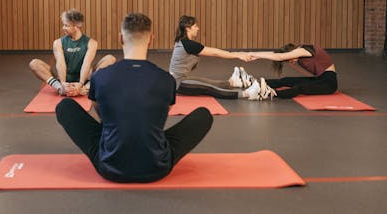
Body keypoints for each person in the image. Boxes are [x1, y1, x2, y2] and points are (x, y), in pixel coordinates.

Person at [55, 13, 213, 183]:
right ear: (151, 39)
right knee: (204, 115)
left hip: (109, 167)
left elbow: (99, 111)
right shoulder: (166, 79)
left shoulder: (100, 77)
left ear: (121, 39)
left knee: (65, 106)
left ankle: (116, 140)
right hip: (157, 167)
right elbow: (159, 118)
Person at [169, 15, 265, 100]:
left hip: (180, 80)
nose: (198, 28)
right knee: (210, 89)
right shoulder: (188, 44)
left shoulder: (183, 42)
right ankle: (248, 93)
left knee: (210, 82)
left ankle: (234, 82)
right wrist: (238, 55)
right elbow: (216, 53)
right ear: (188, 28)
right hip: (179, 84)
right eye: (195, 26)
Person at [29, 9, 116, 96]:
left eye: (66, 25)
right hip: (64, 78)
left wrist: (81, 84)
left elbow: (86, 64)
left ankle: (87, 88)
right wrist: (62, 83)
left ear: (76, 27)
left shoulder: (92, 43)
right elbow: (60, 63)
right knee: (34, 63)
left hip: (84, 78)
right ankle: (60, 88)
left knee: (110, 59)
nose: (63, 28)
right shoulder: (58, 43)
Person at [247, 43, 338, 99]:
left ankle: (271, 93)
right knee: (286, 80)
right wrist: (256, 54)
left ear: (292, 51)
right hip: (319, 79)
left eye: (289, 59)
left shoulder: (304, 50)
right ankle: (254, 83)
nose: (290, 61)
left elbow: (279, 57)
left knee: (299, 87)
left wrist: (253, 54)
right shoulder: (300, 53)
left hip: (329, 83)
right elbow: (276, 54)